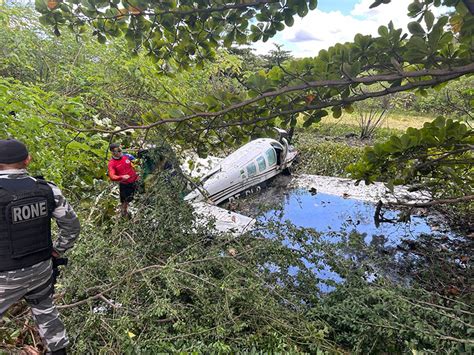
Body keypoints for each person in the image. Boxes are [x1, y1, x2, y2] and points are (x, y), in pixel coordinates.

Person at [0, 139, 81, 355]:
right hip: (41, 268)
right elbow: (72, 226)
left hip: (5, 276)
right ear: (27, 160)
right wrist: (58, 250)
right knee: (46, 313)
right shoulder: (47, 189)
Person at [107, 143, 139, 217]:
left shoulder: (127, 156)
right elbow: (112, 176)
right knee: (125, 202)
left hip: (136, 180)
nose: (119, 152)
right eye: (116, 151)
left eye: (120, 150)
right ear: (112, 152)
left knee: (140, 196)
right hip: (125, 184)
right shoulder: (112, 163)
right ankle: (124, 215)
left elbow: (137, 162)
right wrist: (121, 177)